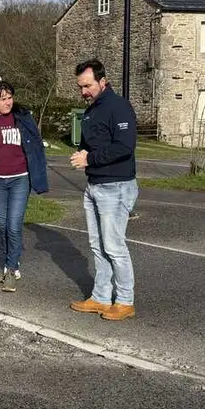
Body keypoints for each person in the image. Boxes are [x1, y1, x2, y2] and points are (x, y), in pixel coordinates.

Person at [68, 59, 140, 321]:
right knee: (97, 245)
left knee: (114, 246)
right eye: (80, 87)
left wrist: (89, 158)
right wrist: (84, 154)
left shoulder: (118, 106)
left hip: (116, 186)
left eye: (87, 85)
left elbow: (124, 146)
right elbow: (92, 145)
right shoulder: (91, 111)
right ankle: (100, 296)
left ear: (102, 81)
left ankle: (125, 301)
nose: (83, 91)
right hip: (95, 185)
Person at [0, 81, 49, 292]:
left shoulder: (22, 117)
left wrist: (39, 172)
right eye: (2, 99)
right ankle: (10, 263)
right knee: (3, 226)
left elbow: (36, 145)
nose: (7, 102)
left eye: (10, 97)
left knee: (13, 225)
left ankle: (11, 270)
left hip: (20, 179)